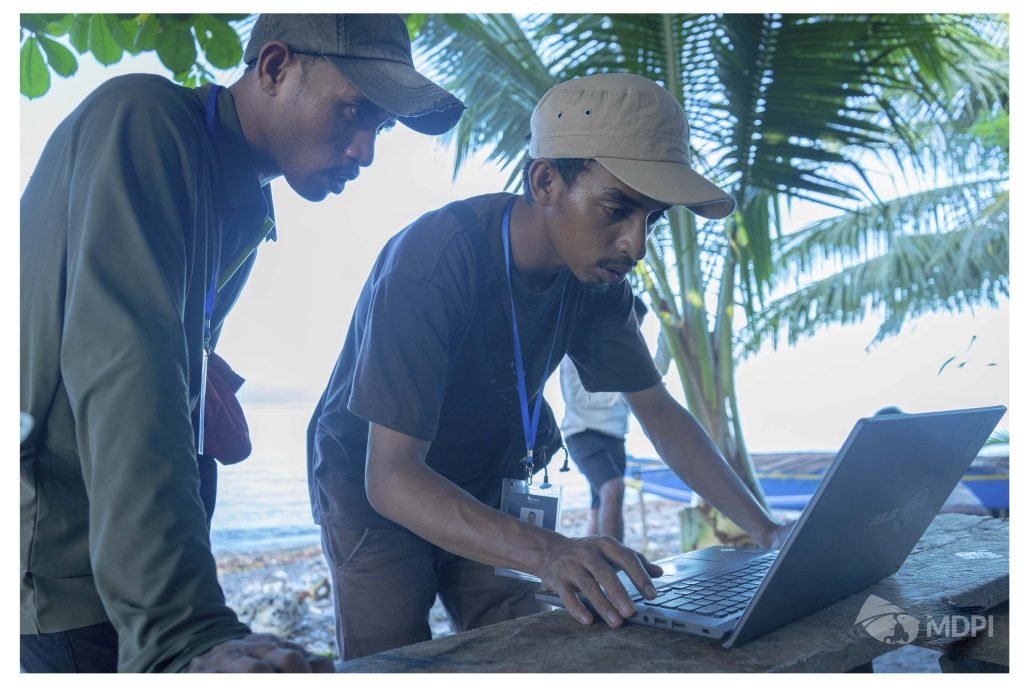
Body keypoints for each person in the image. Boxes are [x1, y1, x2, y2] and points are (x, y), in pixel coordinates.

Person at [20, 14, 464, 673]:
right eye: (352, 112)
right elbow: (127, 375)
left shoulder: (243, 206)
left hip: (116, 575)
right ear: (275, 66)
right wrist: (182, 631)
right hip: (56, 575)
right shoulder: (144, 121)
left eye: (382, 128)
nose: (368, 151)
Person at [308, 72, 793, 661]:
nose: (636, 245)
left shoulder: (599, 281)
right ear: (545, 180)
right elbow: (389, 479)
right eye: (617, 208)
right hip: (373, 483)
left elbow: (659, 413)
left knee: (528, 649)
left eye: (654, 218)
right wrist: (548, 550)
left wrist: (769, 533)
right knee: (392, 660)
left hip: (486, 479)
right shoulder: (433, 262)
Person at [559, 295, 659, 541]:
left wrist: (666, 333)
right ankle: (616, 567)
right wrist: (629, 391)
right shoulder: (579, 349)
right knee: (613, 489)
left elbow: (655, 375)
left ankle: (588, 574)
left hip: (615, 437)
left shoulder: (626, 357)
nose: (632, 333)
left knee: (599, 510)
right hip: (583, 433)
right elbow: (580, 399)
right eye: (630, 324)